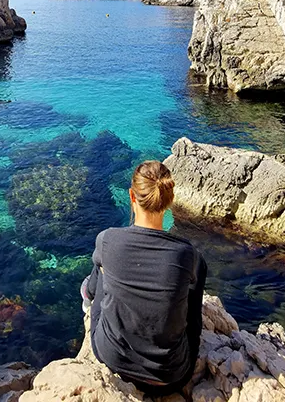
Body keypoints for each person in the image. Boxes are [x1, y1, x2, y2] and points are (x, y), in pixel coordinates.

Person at [80, 160, 207, 397]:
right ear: (169, 200)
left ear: (132, 195)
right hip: (172, 377)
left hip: (113, 359)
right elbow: (194, 317)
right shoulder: (189, 255)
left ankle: (87, 295)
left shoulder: (108, 239)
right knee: (194, 283)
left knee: (101, 275)